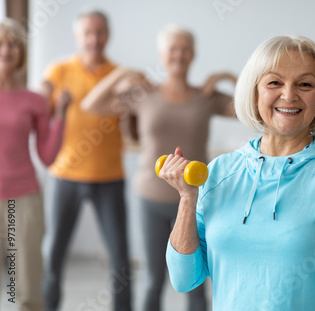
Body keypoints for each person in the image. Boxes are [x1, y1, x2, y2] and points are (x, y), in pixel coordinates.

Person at [159, 35, 315, 311]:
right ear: (254, 93)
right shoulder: (218, 172)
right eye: (274, 82)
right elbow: (184, 280)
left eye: (304, 84)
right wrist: (187, 197)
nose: (289, 95)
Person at [81, 24, 237, 311]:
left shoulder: (206, 96)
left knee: (195, 282)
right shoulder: (144, 95)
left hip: (196, 200)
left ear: (193, 55)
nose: (178, 55)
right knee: (153, 279)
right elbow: (91, 104)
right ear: (162, 55)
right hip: (150, 198)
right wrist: (122, 74)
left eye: (185, 49)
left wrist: (227, 77)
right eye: (172, 49)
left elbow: (255, 110)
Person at [41, 10, 132, 311]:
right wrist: (56, 106)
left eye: (100, 32)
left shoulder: (120, 75)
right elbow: (41, 119)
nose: (94, 39)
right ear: (77, 36)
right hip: (66, 174)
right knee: (54, 252)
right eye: (88, 33)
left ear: (109, 34)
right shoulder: (58, 71)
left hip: (109, 177)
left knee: (120, 257)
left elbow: (132, 125)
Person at [0, 18, 67, 311]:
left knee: (26, 288)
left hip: (22, 199)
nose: (7, 49)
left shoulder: (35, 100)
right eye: (1, 43)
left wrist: (61, 114)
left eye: (14, 44)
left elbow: (47, 156)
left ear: (22, 53)